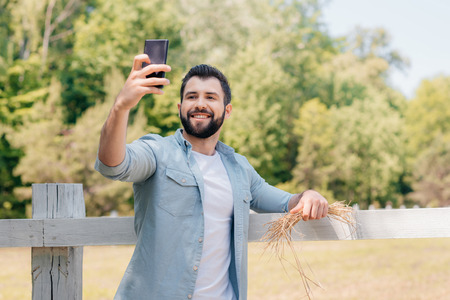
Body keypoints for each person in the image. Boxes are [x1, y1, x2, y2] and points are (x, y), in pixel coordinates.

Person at [95, 54, 329, 300]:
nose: (200, 104)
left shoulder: (240, 169)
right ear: (180, 108)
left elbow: (287, 202)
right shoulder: (157, 152)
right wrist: (121, 106)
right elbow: (113, 165)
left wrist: (309, 195)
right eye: (192, 96)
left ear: (227, 111)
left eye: (210, 97)